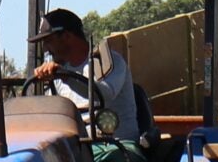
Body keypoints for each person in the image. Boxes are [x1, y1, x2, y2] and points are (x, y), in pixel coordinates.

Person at [27, 8, 144, 144]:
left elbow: (105, 95)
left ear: (66, 36)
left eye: (48, 41)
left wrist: (66, 78)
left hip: (117, 145)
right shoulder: (58, 74)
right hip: (78, 150)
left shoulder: (109, 62)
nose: (46, 49)